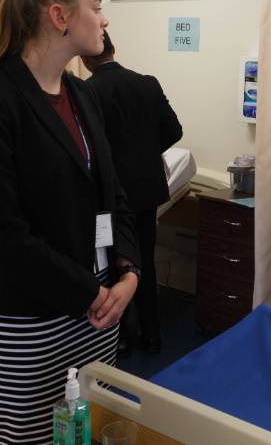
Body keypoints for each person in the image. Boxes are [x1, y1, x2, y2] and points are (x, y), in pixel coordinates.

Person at [0, 0, 140, 444]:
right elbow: (3, 231)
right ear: (60, 16)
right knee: (28, 436)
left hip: (99, 307)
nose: (104, 17)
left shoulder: (81, 96)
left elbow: (113, 196)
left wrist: (128, 271)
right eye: (95, 6)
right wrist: (89, 292)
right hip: (26, 318)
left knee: (87, 429)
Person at [82, 30, 183, 355]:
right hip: (146, 190)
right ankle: (152, 332)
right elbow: (174, 130)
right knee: (145, 261)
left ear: (85, 58)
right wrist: (145, 156)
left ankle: (122, 335)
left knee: (113, 264)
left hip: (109, 198)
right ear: (114, 48)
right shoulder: (147, 83)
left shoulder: (86, 91)